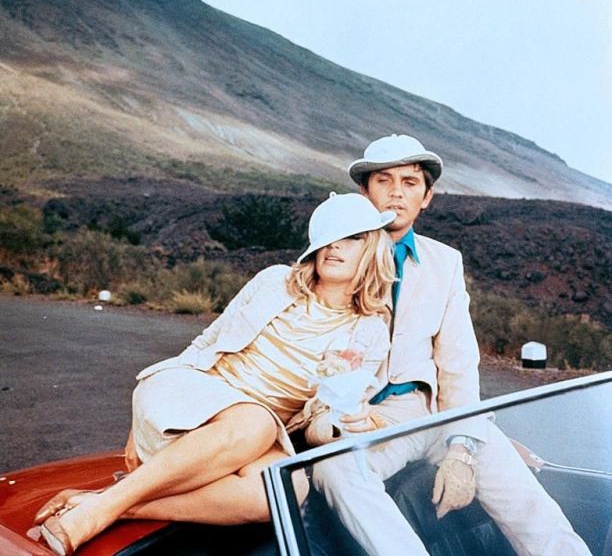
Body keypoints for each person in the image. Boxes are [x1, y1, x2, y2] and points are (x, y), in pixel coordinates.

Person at [34, 192, 396, 556]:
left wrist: (347, 423)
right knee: (255, 422)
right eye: (329, 235)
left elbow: (319, 424)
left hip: (255, 435)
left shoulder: (370, 331)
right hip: (194, 396)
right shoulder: (275, 281)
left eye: (352, 237)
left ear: (373, 249)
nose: (335, 246)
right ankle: (93, 517)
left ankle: (113, 504)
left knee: (287, 489)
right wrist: (141, 421)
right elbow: (207, 340)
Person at [311, 134, 592, 555]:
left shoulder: (444, 262)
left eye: (409, 182)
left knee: (528, 501)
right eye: (384, 181)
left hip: (434, 412)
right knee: (335, 471)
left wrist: (462, 447)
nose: (396, 193)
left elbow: (458, 365)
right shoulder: (333, 257)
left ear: (426, 197)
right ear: (364, 192)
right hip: (366, 420)